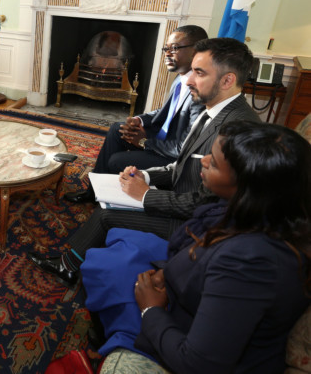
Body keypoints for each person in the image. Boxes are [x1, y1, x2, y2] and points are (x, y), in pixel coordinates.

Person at [29, 38, 261, 287]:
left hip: (196, 225)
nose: (189, 79)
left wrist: (146, 196)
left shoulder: (237, 130)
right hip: (185, 201)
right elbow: (182, 165)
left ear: (227, 80)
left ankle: (67, 267)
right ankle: (73, 259)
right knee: (114, 188)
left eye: (199, 73)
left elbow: (208, 205)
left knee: (106, 215)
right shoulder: (212, 110)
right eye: (192, 70)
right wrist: (146, 176)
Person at [84, 121, 310, 373]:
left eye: (213, 162)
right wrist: (167, 272)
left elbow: (198, 363)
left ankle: (114, 341)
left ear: (247, 187)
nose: (203, 161)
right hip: (191, 298)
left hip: (188, 338)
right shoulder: (260, 214)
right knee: (118, 242)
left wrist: (150, 309)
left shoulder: (251, 265)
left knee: (110, 269)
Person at [65, 25, 208, 204]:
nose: (167, 53)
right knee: (118, 128)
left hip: (171, 157)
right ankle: (93, 191)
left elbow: (183, 149)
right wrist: (138, 120)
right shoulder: (181, 79)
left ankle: (116, 199)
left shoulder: (201, 92)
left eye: (174, 48)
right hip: (163, 140)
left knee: (116, 161)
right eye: (166, 48)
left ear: (197, 49)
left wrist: (143, 142)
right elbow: (165, 112)